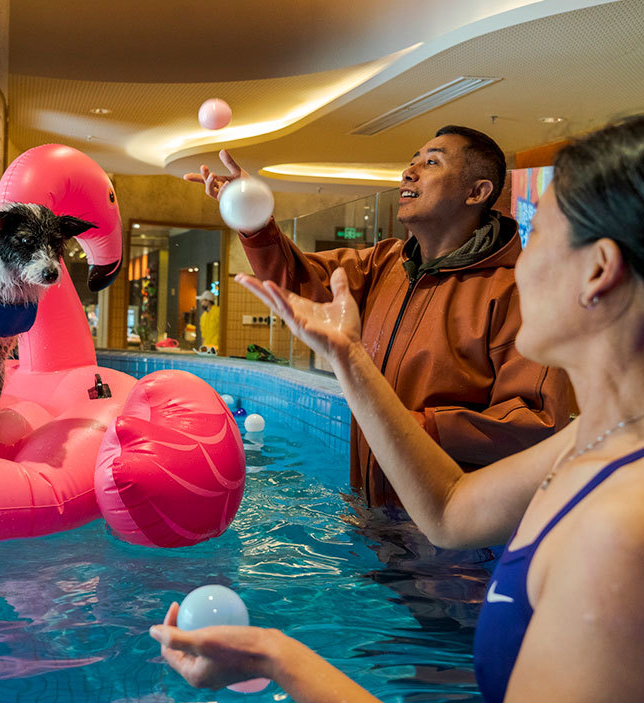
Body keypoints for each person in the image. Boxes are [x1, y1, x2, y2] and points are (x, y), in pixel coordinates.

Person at [153, 115, 644, 703]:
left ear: (597, 270)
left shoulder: (618, 533)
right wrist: (346, 355)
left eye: (539, 234)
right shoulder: (589, 448)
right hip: (396, 519)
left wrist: (279, 660)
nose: (521, 260)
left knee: (439, 671)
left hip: (455, 572)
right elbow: (447, 511)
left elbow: (518, 436)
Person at [186, 128, 573, 508]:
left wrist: (404, 428)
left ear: (476, 192)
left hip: (458, 533)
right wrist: (253, 218)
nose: (409, 171)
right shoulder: (386, 263)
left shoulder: (517, 292)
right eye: (412, 161)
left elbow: (534, 421)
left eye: (432, 161)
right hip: (373, 510)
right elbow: (302, 281)